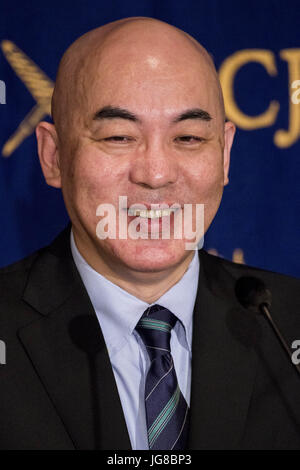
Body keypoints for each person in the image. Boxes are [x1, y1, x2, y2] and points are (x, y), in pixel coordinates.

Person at [0, 17, 300, 450]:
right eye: (119, 136)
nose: (156, 174)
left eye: (190, 137)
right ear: (53, 156)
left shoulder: (287, 327)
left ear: (226, 153)